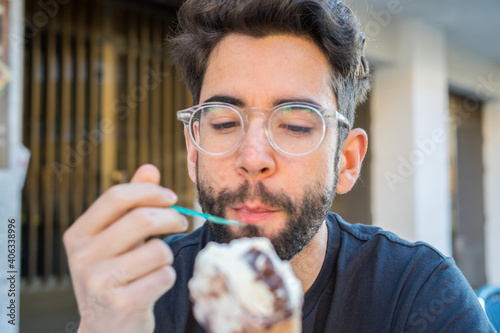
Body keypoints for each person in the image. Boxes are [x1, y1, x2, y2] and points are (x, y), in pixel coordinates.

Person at [63, 0, 495, 332]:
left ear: (346, 161)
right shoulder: (141, 293)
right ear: (194, 151)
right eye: (225, 123)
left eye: (293, 125)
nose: (252, 158)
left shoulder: (418, 297)